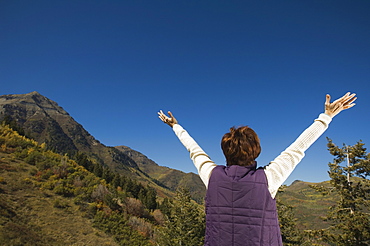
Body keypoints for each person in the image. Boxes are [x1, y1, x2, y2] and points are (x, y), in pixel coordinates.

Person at [158, 92, 357, 246]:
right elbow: (298, 147)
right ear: (257, 151)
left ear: (226, 152)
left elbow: (194, 150)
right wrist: (327, 116)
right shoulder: (269, 177)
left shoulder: (212, 176)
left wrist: (176, 126)